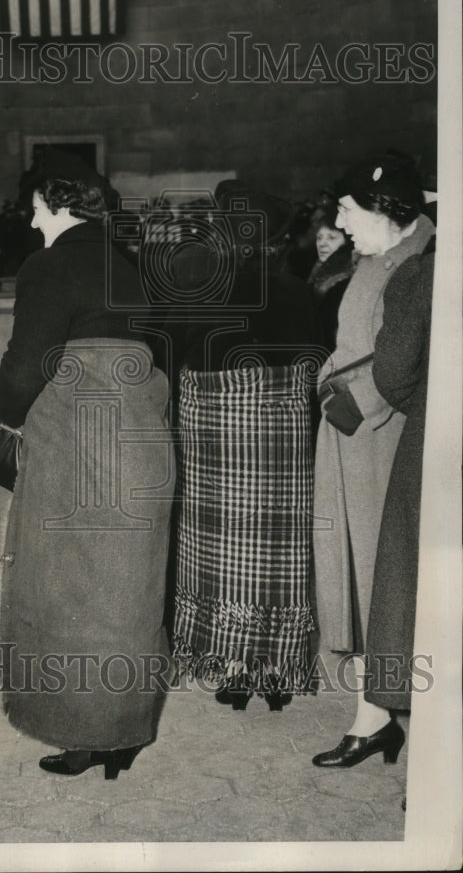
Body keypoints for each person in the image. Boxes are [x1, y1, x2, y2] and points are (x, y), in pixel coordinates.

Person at [0, 150, 175, 779]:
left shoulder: (48, 264)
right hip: (138, 437)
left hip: (77, 442)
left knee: (71, 585)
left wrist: (8, 419)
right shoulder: (123, 264)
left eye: (35, 205)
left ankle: (81, 730)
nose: (31, 216)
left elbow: (27, 362)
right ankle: (122, 730)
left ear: (54, 203)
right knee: (127, 587)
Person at [171, 184, 324, 711]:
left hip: (215, 442)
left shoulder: (199, 284)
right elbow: (312, 367)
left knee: (219, 553)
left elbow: (178, 359)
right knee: (277, 554)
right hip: (280, 446)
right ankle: (277, 672)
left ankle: (231, 669)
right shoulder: (297, 293)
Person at [311, 150, 434, 768]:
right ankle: (375, 713)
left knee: (373, 579)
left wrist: (347, 404)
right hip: (351, 434)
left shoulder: (415, 262)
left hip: (377, 439)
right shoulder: (378, 257)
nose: (337, 218)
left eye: (347, 207)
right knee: (355, 573)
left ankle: (374, 717)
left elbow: (400, 363)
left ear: (384, 209)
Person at [363, 239, 435, 722]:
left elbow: (393, 372)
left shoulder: (425, 271)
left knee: (410, 575)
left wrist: (427, 407)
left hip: (440, 437)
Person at [307, 202, 356, 352]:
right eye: (319, 237)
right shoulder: (318, 269)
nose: (322, 244)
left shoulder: (344, 279)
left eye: (332, 238)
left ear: (347, 241)